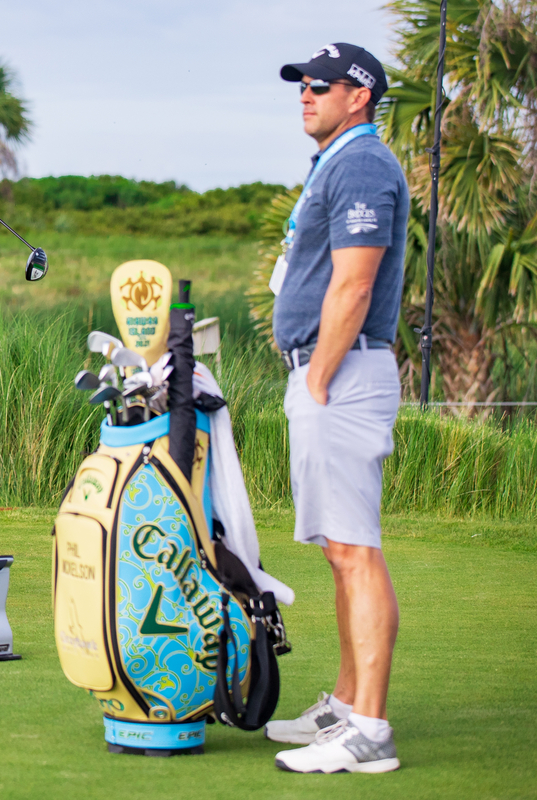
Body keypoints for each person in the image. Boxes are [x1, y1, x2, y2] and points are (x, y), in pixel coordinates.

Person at [263, 43, 409, 773]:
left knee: (355, 552)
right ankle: (348, 704)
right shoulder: (339, 161)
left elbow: (355, 283)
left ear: (360, 95)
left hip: (342, 374)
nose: (306, 93)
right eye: (302, 85)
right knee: (339, 548)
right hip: (331, 372)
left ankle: (369, 732)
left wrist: (318, 375)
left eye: (321, 85)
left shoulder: (361, 162)